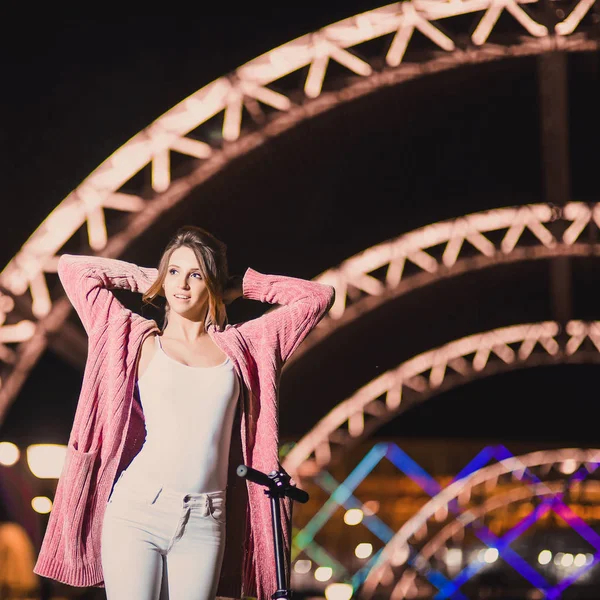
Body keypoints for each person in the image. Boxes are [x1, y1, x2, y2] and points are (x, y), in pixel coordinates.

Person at [33, 225, 335, 600]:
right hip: (137, 510)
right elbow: (74, 269)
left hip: (206, 521)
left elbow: (318, 297)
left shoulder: (245, 346)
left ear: (212, 282)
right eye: (174, 272)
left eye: (196, 275)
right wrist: (155, 278)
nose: (183, 285)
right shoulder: (137, 339)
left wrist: (239, 285)